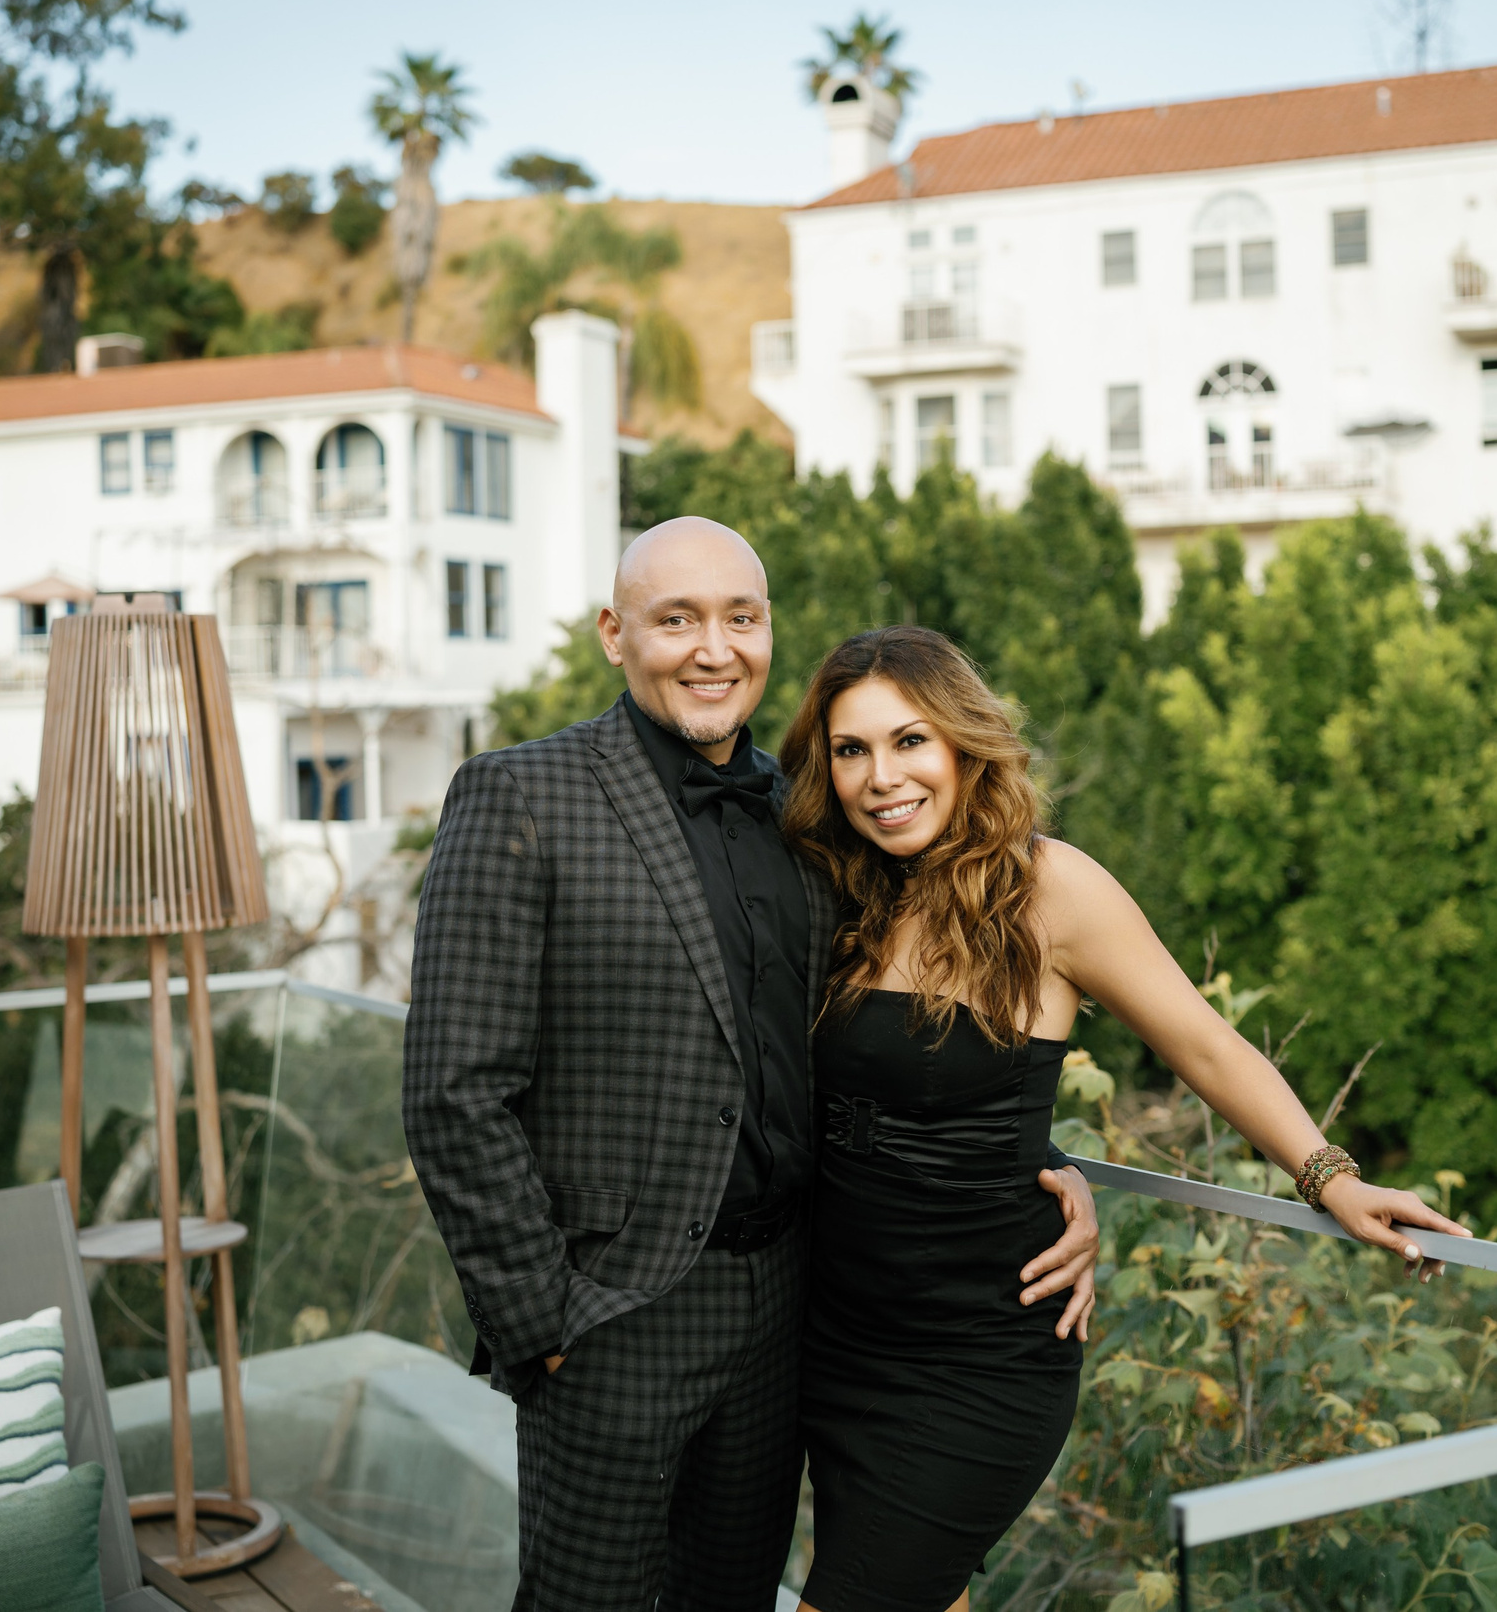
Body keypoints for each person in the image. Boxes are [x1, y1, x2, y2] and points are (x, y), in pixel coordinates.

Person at [401, 521, 1101, 1612]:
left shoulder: (814, 815)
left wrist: (1038, 1173)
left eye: (740, 617)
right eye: (675, 619)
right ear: (613, 634)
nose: (711, 648)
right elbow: (453, 1092)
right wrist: (539, 1319)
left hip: (791, 1310)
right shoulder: (520, 798)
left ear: (769, 631)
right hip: (607, 1318)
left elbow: (889, 1051)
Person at [779, 626, 1470, 1612]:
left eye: (910, 741)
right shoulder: (833, 890)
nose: (880, 776)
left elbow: (1205, 1048)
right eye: (851, 750)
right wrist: (1058, 1162)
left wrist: (1331, 1179)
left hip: (980, 1355)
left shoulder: (1047, 888)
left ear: (965, 745)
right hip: (840, 1342)